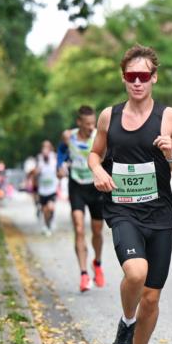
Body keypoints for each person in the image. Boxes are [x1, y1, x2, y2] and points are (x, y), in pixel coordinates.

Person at [88, 44, 172, 344]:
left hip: (159, 214)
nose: (137, 82)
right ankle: (126, 322)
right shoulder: (109, 116)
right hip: (122, 210)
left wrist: (170, 153)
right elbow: (95, 154)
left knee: (151, 298)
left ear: (154, 78)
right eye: (131, 76)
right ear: (123, 78)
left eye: (143, 76)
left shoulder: (171, 118)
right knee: (136, 272)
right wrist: (97, 171)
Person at [62, 106, 106, 293]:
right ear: (79, 122)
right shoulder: (68, 136)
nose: (91, 127)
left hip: (95, 187)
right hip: (76, 186)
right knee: (79, 229)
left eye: (93, 123)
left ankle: (97, 263)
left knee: (97, 231)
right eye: (87, 124)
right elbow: (61, 152)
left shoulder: (98, 136)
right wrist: (59, 166)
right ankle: (83, 274)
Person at [34, 140, 59, 235]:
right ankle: (47, 225)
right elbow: (34, 173)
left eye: (47, 147)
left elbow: (59, 169)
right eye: (43, 147)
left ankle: (50, 221)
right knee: (45, 210)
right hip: (42, 190)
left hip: (52, 189)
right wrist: (37, 172)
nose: (45, 149)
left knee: (51, 207)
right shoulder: (39, 158)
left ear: (50, 148)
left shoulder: (54, 157)